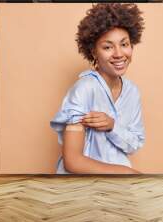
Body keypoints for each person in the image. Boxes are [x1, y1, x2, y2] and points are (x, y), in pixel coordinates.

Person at [50, 3, 145, 174]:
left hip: (118, 186)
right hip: (82, 187)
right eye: (108, 47)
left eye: (124, 44)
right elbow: (72, 161)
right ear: (94, 52)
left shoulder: (133, 92)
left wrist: (112, 126)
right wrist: (128, 173)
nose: (118, 54)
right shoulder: (84, 89)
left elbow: (134, 144)